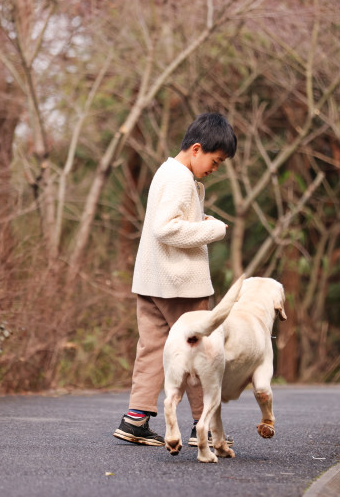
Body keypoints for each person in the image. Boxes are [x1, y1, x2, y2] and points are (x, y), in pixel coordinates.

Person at [113, 112, 237, 446]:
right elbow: (166, 228)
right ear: (197, 149)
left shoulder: (167, 172)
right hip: (179, 284)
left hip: (152, 282)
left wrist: (200, 217)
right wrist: (212, 229)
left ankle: (135, 419)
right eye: (216, 160)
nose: (216, 168)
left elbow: (170, 220)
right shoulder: (181, 178)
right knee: (200, 351)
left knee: (153, 348)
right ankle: (204, 426)